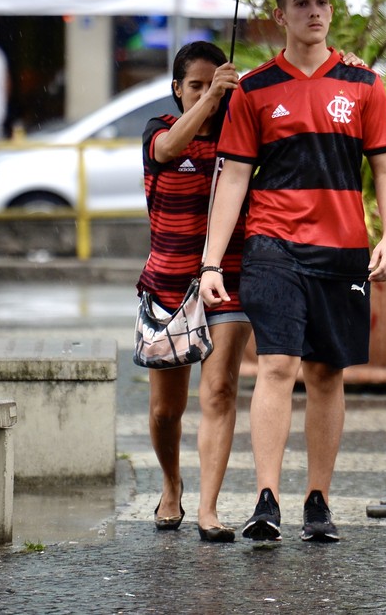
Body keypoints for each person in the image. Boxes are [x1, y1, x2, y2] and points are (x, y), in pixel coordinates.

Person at [199, 0, 386, 543]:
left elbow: (385, 168)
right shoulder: (255, 89)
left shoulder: (364, 84)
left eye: (323, 2)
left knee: (325, 372)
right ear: (280, 14)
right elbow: (235, 177)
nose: (315, 13)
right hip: (273, 246)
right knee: (277, 365)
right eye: (302, 4)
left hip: (341, 249)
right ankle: (267, 498)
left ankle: (319, 499)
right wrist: (212, 263)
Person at [137, 41, 251, 543]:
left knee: (221, 391)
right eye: (196, 85)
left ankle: (208, 507)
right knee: (166, 410)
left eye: (214, 83)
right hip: (166, 284)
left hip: (228, 281)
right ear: (177, 89)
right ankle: (170, 484)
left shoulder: (239, 137)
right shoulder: (160, 130)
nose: (206, 93)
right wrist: (211, 99)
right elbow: (168, 151)